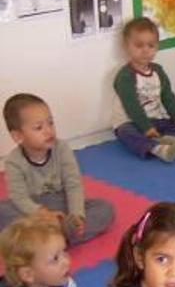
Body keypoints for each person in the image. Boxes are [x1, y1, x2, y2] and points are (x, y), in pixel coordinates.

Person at [0, 93, 114, 243]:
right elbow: (19, 197)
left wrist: (76, 215)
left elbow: (73, 185)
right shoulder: (13, 161)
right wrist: (41, 213)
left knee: (105, 209)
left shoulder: (62, 149)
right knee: (3, 210)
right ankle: (48, 240)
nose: (48, 131)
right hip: (34, 210)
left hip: (62, 203)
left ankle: (47, 241)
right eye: (38, 127)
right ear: (18, 136)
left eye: (50, 123)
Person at [112, 18, 175, 162]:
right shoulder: (125, 76)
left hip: (156, 119)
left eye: (151, 46)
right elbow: (132, 106)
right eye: (139, 45)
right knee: (126, 133)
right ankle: (154, 148)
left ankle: (171, 141)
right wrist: (146, 128)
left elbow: (167, 96)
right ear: (126, 46)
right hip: (131, 122)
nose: (145, 50)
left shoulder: (158, 71)